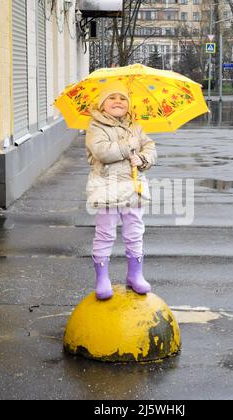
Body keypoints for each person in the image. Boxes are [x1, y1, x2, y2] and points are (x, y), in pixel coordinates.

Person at [86, 81, 157, 300]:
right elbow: (102, 152)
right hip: (107, 188)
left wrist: (143, 158)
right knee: (105, 233)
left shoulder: (135, 126)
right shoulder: (95, 127)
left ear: (129, 104)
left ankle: (135, 275)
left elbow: (150, 147)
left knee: (135, 231)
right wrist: (129, 147)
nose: (118, 102)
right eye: (112, 98)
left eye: (123, 98)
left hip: (133, 188)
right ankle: (102, 278)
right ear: (102, 104)